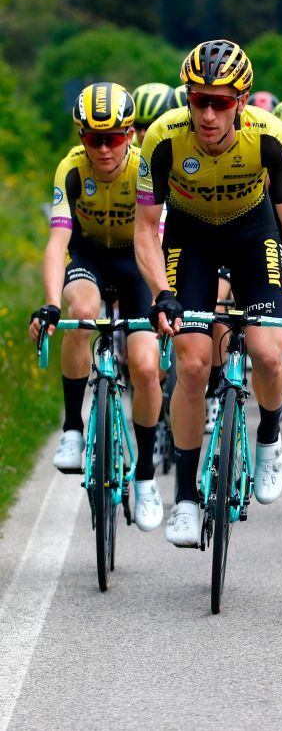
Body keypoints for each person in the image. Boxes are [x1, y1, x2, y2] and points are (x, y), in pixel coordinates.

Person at [134, 39, 282, 547]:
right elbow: (146, 228)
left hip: (251, 234)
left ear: (240, 101)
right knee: (192, 366)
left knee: (266, 353)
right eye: (199, 100)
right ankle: (189, 497)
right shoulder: (163, 138)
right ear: (187, 99)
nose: (209, 113)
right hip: (190, 239)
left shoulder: (269, 136)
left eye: (220, 102)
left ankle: (268, 436)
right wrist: (162, 292)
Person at [29, 83, 164, 531]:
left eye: (114, 138)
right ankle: (72, 428)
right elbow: (57, 242)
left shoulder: (146, 167)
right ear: (81, 136)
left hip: (136, 262)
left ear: (130, 134)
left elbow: (158, 240)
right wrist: (51, 304)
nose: (104, 149)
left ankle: (145, 473)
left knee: (145, 367)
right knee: (81, 313)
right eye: (93, 138)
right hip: (87, 256)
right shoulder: (70, 168)